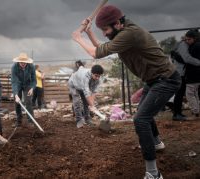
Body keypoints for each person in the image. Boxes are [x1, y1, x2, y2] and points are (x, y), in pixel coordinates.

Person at [72, 5, 181, 179]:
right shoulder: (122, 33)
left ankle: (153, 174)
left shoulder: (130, 34)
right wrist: (89, 33)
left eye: (106, 29)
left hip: (166, 79)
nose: (104, 33)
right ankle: (156, 142)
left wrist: (78, 38)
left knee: (141, 119)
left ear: (117, 24)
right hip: (153, 80)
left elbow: (95, 53)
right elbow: (102, 47)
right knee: (143, 114)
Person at [171, 36, 200, 121]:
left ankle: (178, 113)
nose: (187, 40)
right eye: (187, 38)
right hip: (180, 73)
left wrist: (175, 55)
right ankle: (177, 114)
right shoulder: (184, 44)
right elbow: (186, 59)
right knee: (180, 93)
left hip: (181, 72)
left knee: (184, 93)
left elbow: (183, 58)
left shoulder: (188, 44)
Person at [11, 52, 36, 127]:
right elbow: (14, 82)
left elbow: (34, 80)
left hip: (27, 84)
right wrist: (15, 94)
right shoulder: (14, 67)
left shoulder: (31, 66)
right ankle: (19, 121)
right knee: (17, 102)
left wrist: (32, 88)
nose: (23, 64)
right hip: (18, 84)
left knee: (28, 101)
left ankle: (30, 121)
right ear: (19, 61)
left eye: (24, 62)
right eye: (21, 62)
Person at [184, 29, 200, 117]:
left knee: (189, 94)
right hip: (196, 74)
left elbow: (187, 59)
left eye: (189, 39)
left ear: (194, 38)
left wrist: (178, 56)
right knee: (194, 93)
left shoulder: (195, 47)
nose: (187, 41)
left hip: (193, 74)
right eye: (186, 39)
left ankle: (195, 111)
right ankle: (197, 110)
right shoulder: (196, 45)